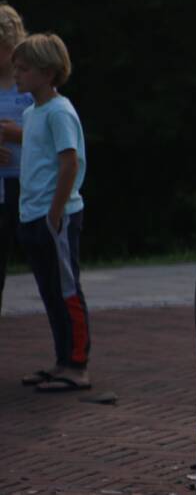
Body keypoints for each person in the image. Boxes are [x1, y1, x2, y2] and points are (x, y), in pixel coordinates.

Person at [13, 32, 91, 391]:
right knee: (48, 290)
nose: (16, 75)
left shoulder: (60, 111)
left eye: (23, 69)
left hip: (55, 217)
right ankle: (61, 359)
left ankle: (77, 364)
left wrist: (56, 212)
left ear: (47, 73)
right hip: (32, 215)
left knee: (66, 289)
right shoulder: (33, 112)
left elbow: (69, 162)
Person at [0, 3, 31, 313]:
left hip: (26, 181)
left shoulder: (29, 85)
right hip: (0, 185)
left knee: (38, 254)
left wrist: (18, 135)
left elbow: (50, 136)